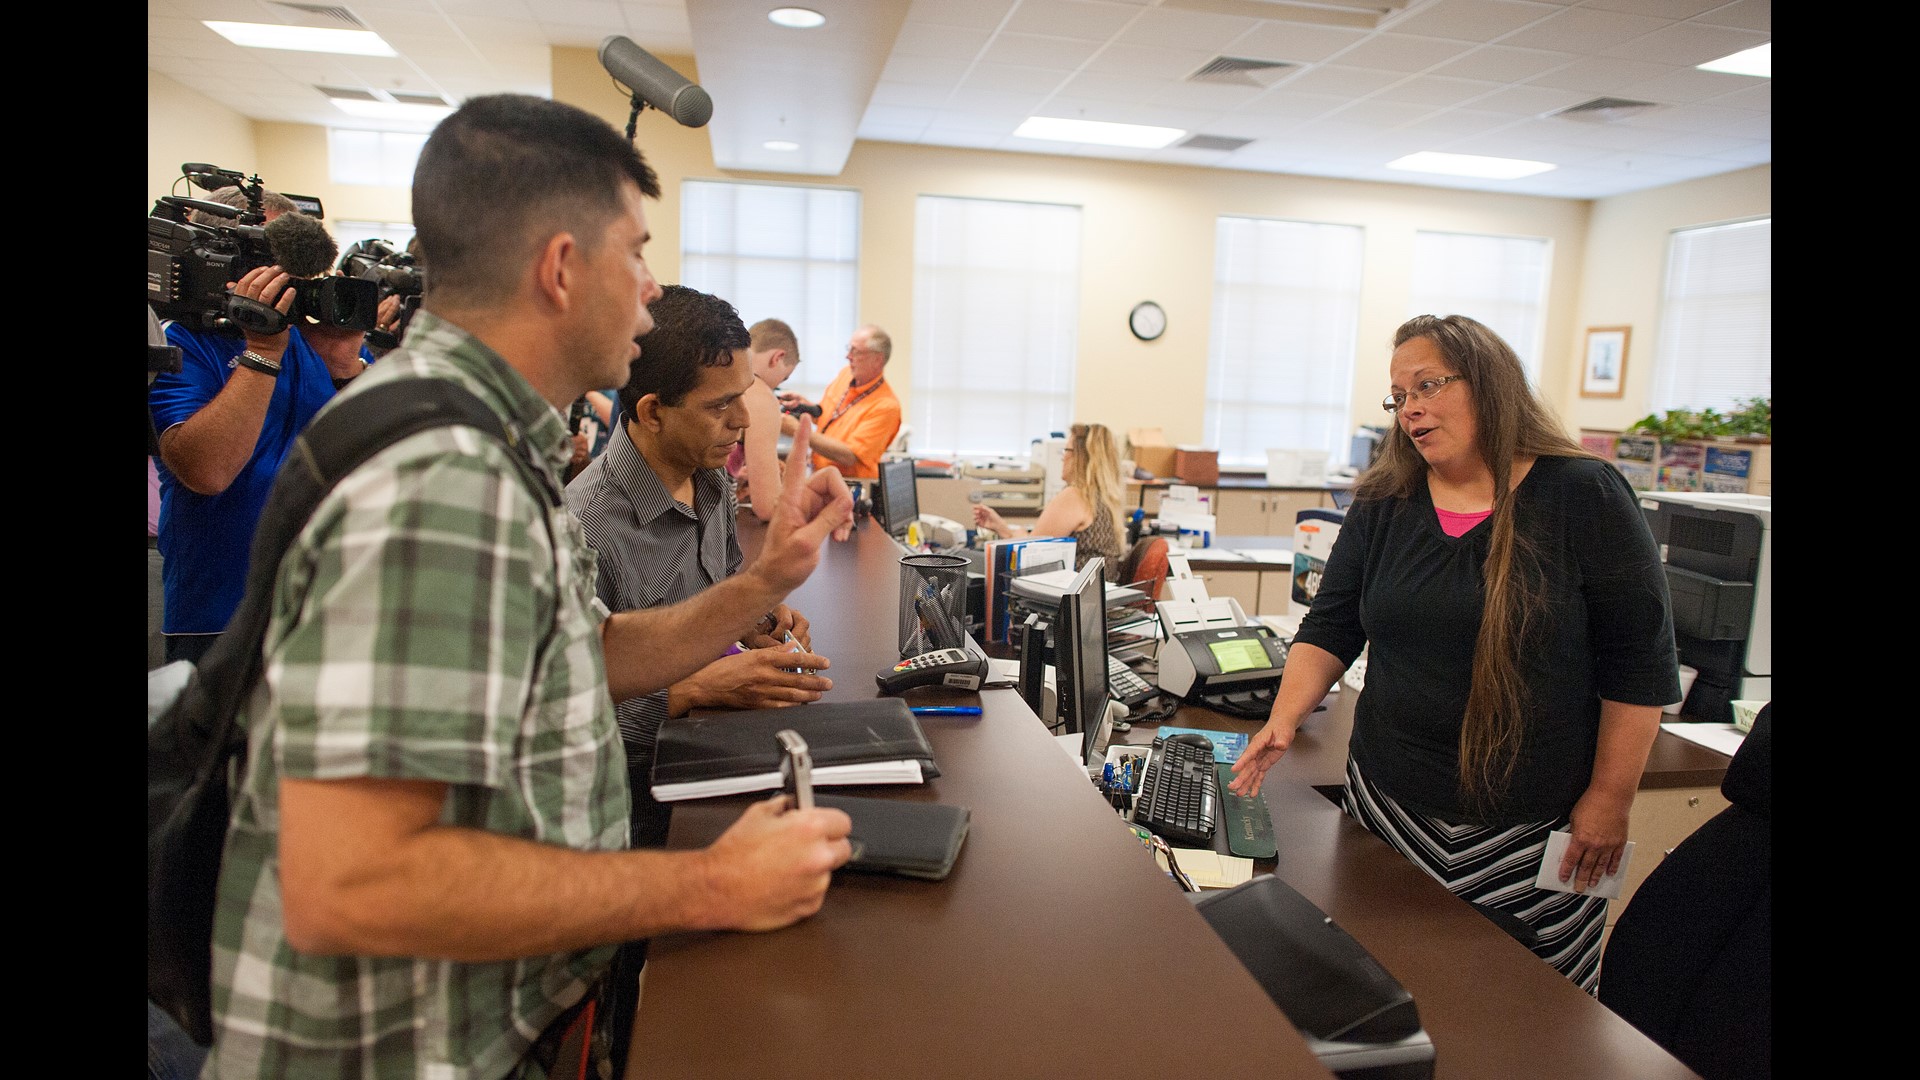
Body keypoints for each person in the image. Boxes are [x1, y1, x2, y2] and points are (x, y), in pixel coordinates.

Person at [201, 94, 856, 1079]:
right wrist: (707, 885)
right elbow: (353, 883)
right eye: (635, 257)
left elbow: (569, 658)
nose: (648, 297)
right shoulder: (445, 478)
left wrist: (753, 585)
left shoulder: (481, 436)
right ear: (560, 269)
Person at [1227, 314, 1679, 994]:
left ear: (1490, 384)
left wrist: (1610, 799)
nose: (1410, 408)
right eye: (1398, 395)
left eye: (1428, 385)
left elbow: (1638, 665)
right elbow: (1332, 624)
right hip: (1390, 811)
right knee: (1385, 1002)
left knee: (1519, 1021)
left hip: (1530, 831)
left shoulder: (1581, 493)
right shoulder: (1387, 497)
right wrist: (1283, 718)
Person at [567, 285, 831, 850]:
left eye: (744, 395)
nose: (742, 419)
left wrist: (749, 619)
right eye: (719, 406)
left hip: (712, 762)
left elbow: (716, 588)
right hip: (636, 821)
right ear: (652, 412)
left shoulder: (709, 480)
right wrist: (689, 690)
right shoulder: (583, 529)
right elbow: (567, 717)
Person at [148, 186, 375, 665]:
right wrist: (263, 352)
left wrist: (345, 366)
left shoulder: (316, 334)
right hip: (219, 617)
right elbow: (207, 471)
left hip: (328, 608)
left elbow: (381, 458)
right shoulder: (178, 343)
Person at [971, 422, 1127, 581]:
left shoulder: (1075, 496)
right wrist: (1002, 528)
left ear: (1081, 457)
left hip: (1066, 598)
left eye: (1067, 450)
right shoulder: (1105, 500)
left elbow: (1030, 555)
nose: (1062, 456)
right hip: (1094, 598)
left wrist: (1015, 533)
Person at [777, 323, 901, 479]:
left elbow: (849, 456)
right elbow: (830, 416)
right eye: (849, 348)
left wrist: (799, 432)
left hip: (849, 486)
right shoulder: (846, 375)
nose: (848, 356)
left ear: (877, 359)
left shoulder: (886, 406)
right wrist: (805, 406)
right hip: (818, 474)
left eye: (855, 351)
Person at [733, 317, 802, 521]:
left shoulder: (719, 380)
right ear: (777, 358)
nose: (777, 386)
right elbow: (768, 507)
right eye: (784, 377)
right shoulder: (761, 396)